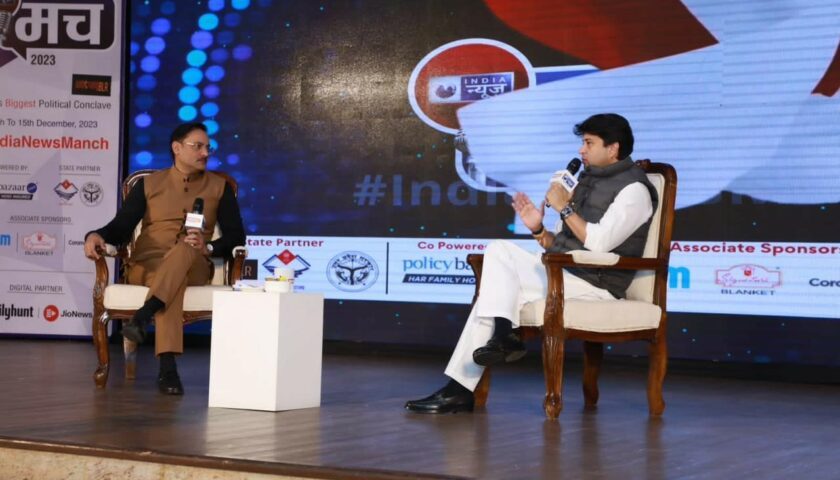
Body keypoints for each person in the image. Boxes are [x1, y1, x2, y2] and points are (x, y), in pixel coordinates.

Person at [405, 113, 658, 413]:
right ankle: (497, 343)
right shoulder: (587, 180)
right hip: (565, 272)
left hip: (597, 284)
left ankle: (468, 379)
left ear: (613, 148)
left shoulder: (635, 190)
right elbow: (564, 243)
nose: (581, 150)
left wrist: (564, 207)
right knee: (498, 257)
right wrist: (538, 229)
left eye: (589, 143)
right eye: (582, 143)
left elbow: (600, 243)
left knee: (495, 286)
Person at [84, 122, 245, 395]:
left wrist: (207, 247)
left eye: (208, 147)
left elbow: (236, 237)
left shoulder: (220, 188)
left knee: (186, 247)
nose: (205, 153)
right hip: (146, 264)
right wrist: (95, 235)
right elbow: (121, 226)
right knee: (171, 282)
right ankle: (167, 368)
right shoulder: (148, 184)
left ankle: (145, 317)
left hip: (194, 262)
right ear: (177, 148)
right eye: (198, 146)